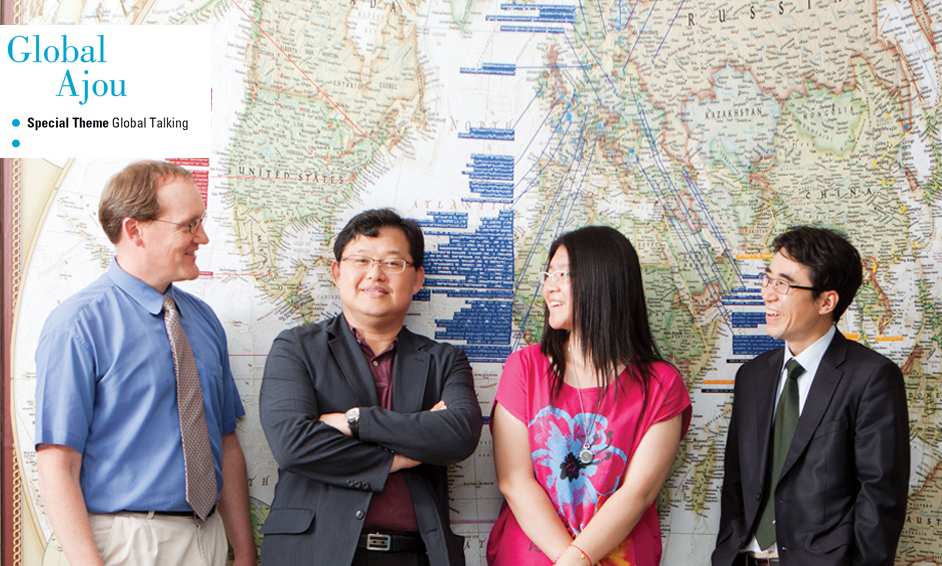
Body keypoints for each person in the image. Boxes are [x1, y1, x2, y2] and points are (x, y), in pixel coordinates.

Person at [34, 160, 254, 566]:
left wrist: (243, 553)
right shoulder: (78, 326)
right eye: (189, 225)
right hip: (124, 545)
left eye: (201, 222)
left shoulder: (204, 321)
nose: (202, 237)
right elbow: (57, 463)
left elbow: (226, 443)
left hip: (209, 539)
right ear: (135, 230)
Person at [258, 208, 484, 566]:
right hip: (313, 551)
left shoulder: (444, 360)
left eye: (393, 263)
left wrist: (356, 422)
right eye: (361, 260)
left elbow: (459, 435)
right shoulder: (296, 348)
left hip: (417, 555)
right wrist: (400, 457)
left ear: (417, 279)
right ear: (337, 272)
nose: (375, 274)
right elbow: (293, 444)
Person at [487, 225, 692, 566]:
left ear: (603, 281)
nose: (549, 287)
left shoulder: (661, 385)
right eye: (548, 275)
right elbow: (514, 481)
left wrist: (578, 559)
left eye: (562, 274)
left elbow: (638, 493)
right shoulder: (524, 368)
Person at [713, 226, 910, 566]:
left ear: (826, 301)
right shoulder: (752, 376)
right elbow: (735, 484)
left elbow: (881, 498)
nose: (768, 294)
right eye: (768, 279)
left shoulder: (871, 378)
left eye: (784, 284)